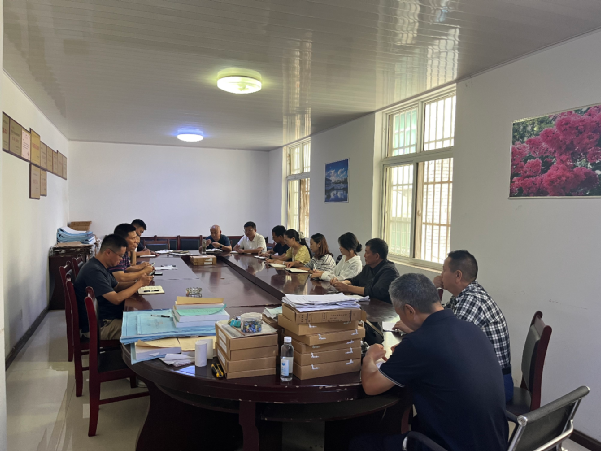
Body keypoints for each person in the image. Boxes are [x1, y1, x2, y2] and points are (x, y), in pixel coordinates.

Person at [356, 274, 508, 451]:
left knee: (359, 443)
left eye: (400, 314)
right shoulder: (472, 329)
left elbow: (371, 386)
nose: (401, 320)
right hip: (494, 443)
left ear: (409, 310)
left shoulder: (418, 343)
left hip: (448, 446)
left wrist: (370, 356)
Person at [74, 234, 153, 339]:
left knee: (145, 320)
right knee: (146, 328)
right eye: (120, 255)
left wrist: (137, 282)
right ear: (108, 252)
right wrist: (139, 284)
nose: (121, 260)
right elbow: (116, 299)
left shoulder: (101, 265)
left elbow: (117, 286)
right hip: (99, 326)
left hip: (106, 318)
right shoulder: (93, 270)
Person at [331, 238, 398, 303]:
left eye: (367, 253)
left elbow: (375, 292)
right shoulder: (368, 267)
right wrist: (343, 283)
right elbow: (355, 280)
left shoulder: (389, 271)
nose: (364, 255)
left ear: (377, 256)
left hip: (383, 308)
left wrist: (347, 288)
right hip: (366, 304)